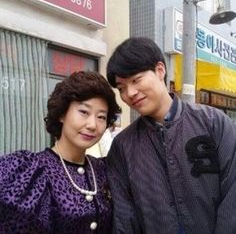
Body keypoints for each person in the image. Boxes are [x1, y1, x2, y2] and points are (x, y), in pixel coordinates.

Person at [106, 36, 236, 234]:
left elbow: (232, 192)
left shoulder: (213, 122)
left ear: (160, 70)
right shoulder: (123, 146)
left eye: (136, 80)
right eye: (122, 88)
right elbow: (124, 217)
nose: (130, 93)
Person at [0, 71, 120, 234]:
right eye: (84, 112)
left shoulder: (102, 170)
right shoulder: (30, 171)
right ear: (62, 114)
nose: (92, 124)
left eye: (101, 117)